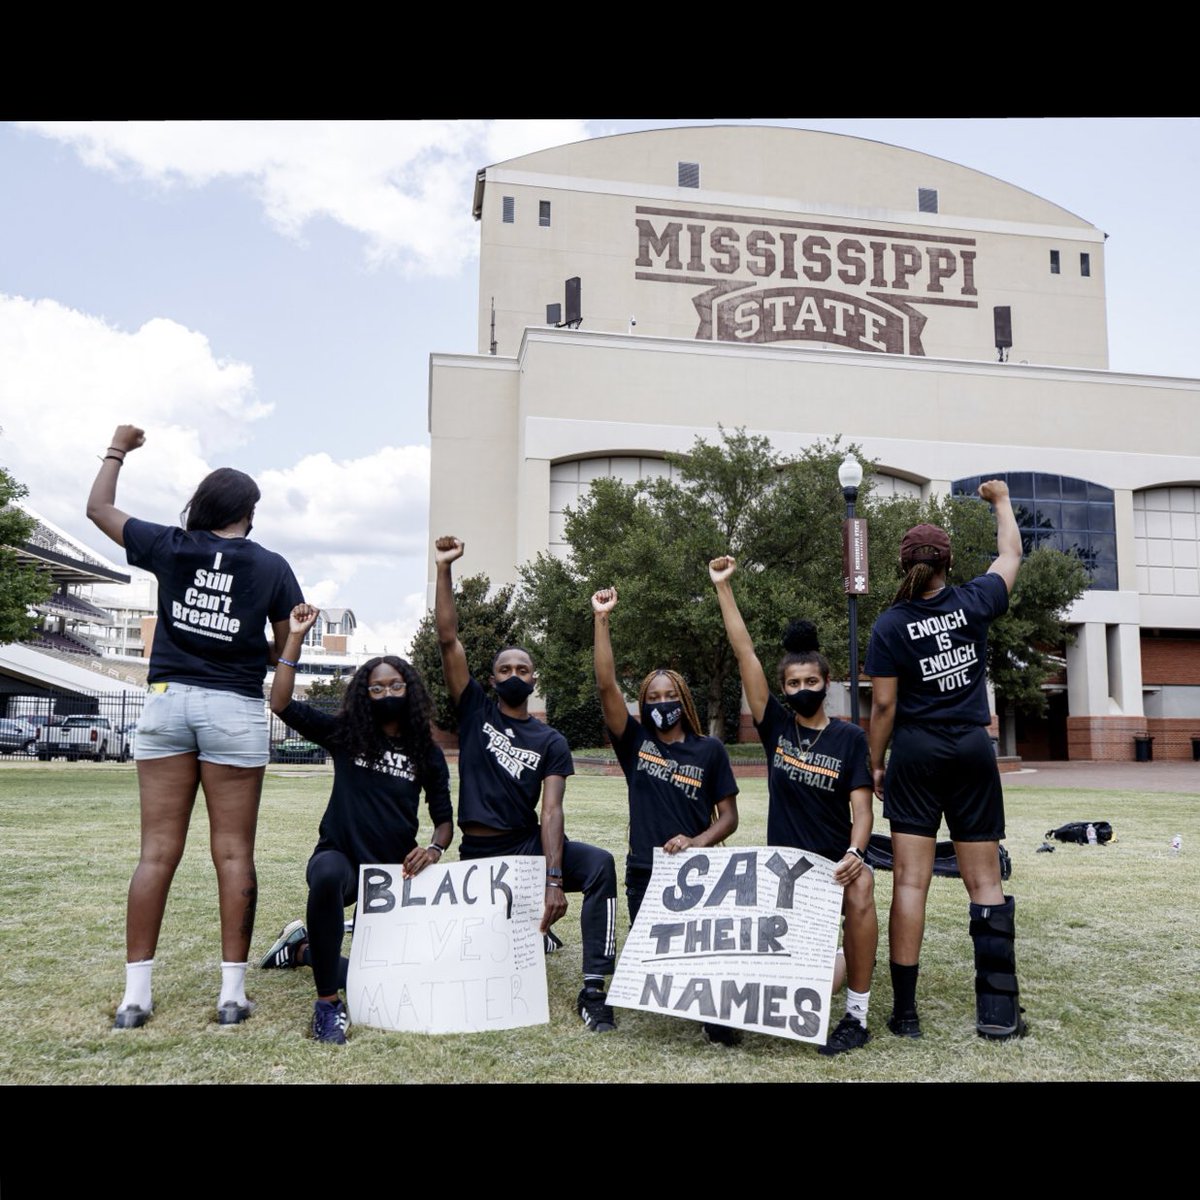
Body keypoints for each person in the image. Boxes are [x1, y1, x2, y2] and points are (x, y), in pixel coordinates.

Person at [86, 424, 304, 1028]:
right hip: (232, 708)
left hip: (165, 701)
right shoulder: (271, 566)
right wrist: (247, 641)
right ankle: (231, 997)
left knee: (156, 853)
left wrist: (118, 449)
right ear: (249, 513)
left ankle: (136, 999)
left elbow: (97, 508)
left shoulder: (172, 545)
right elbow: (285, 648)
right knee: (233, 853)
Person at [434, 536, 619, 1032]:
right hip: (480, 852)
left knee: (600, 865)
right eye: (504, 669)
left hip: (527, 846)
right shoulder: (475, 711)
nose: (514, 674)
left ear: (534, 680)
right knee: (461, 955)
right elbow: (449, 639)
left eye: (523, 669)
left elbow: (552, 812)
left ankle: (595, 991)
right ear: (491, 680)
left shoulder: (550, 739)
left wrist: (555, 880)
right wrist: (445, 569)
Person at [865, 480, 1024, 1041]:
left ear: (902, 566)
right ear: (949, 562)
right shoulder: (974, 600)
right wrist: (1000, 502)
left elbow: (883, 705)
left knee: (910, 882)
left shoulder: (888, 624)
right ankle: (999, 1013)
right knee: (984, 883)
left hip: (914, 751)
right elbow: (1010, 554)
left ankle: (905, 1014)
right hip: (971, 749)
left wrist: (875, 763)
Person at [258, 604, 453, 1044]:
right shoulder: (346, 734)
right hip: (341, 859)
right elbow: (282, 702)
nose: (386, 693)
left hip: (391, 873)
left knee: (393, 980)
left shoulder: (427, 752)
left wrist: (435, 849)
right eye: (376, 687)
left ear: (411, 689)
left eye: (395, 685)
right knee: (325, 876)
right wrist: (294, 638)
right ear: (364, 694)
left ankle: (303, 950)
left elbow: (444, 820)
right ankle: (327, 1005)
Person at [710, 556, 878, 1055]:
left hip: (832, 866)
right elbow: (745, 655)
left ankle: (857, 1015)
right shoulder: (776, 728)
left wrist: (856, 853)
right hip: (783, 873)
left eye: (811, 682)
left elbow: (864, 810)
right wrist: (724, 588)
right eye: (793, 684)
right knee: (802, 981)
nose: (802, 690)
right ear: (783, 689)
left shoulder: (849, 738)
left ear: (827, 683)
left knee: (864, 888)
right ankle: (730, 1009)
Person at [591, 586, 740, 1045]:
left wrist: (697, 842)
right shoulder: (636, 743)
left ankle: (716, 1015)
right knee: (660, 952)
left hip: (697, 871)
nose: (660, 702)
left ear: (683, 698)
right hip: (645, 870)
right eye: (652, 696)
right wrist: (601, 619)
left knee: (703, 949)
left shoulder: (709, 750)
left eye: (668, 694)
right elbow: (605, 684)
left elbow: (729, 817)